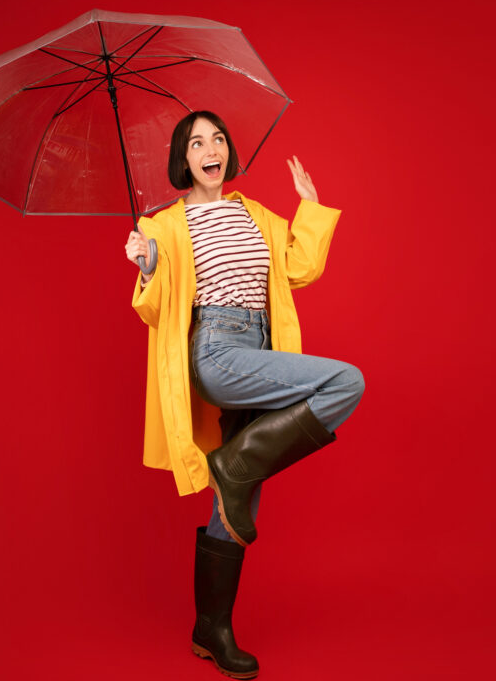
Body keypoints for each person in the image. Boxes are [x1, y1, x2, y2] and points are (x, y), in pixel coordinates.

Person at [124, 110, 364, 679]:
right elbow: (154, 308)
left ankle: (212, 629)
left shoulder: (252, 212)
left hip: (260, 345)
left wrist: (309, 207)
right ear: (183, 161)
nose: (211, 149)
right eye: (196, 142)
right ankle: (230, 465)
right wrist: (147, 260)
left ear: (229, 152)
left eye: (218, 139)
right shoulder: (163, 225)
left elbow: (298, 267)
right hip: (216, 352)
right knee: (346, 381)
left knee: (239, 499)